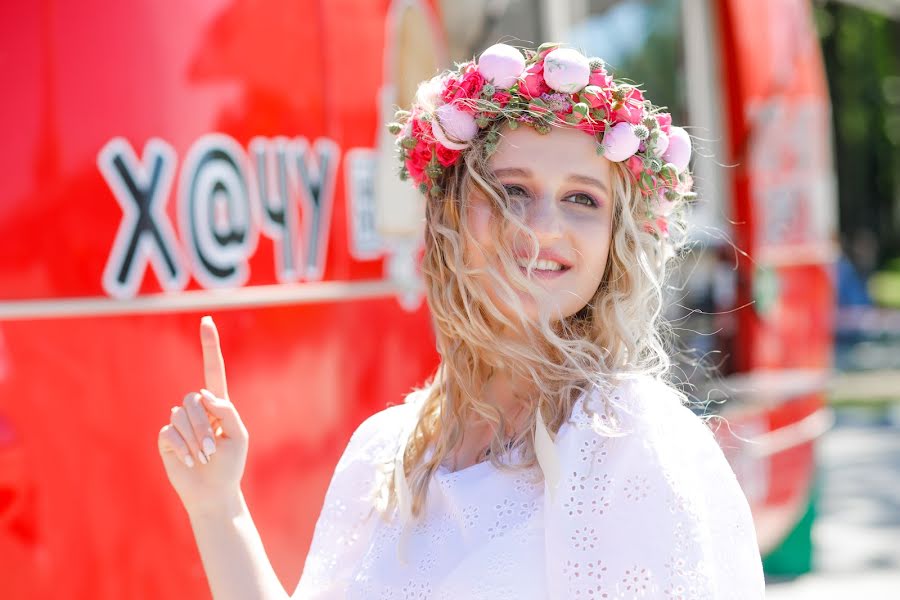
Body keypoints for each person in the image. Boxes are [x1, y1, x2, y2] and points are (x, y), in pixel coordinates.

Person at [157, 42, 765, 599]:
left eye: (583, 198)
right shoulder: (383, 450)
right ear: (448, 215)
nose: (544, 225)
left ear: (613, 238)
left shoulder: (628, 438)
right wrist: (218, 508)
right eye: (511, 189)